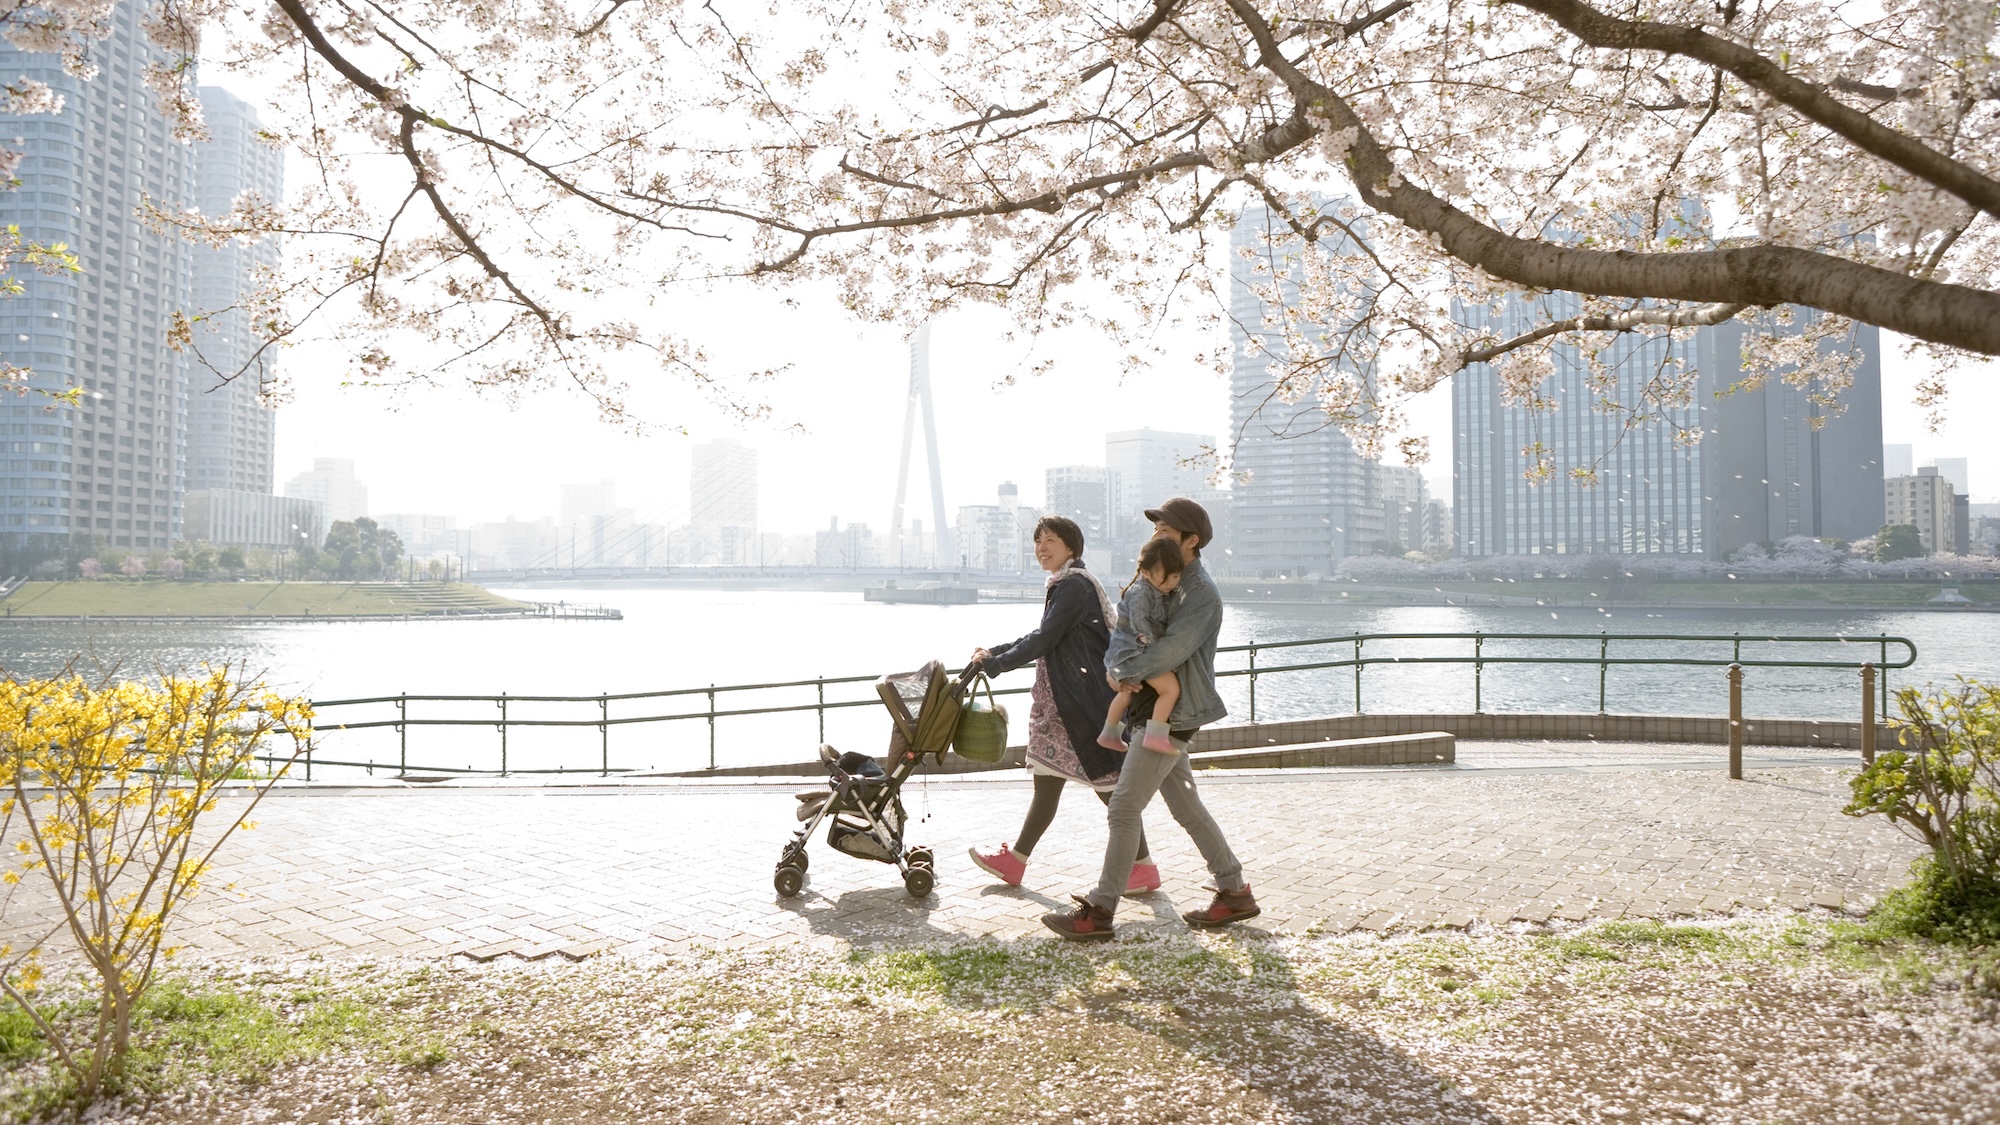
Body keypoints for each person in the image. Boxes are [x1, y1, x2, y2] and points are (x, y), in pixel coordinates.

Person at [1043, 497, 1258, 941]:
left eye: (1165, 530)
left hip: (1175, 712)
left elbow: (1169, 652)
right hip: (1155, 707)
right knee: (1187, 808)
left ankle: (1100, 910)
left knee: (1123, 807)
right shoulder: (1161, 578)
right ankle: (1234, 891)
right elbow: (1131, 628)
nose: (1156, 535)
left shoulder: (1199, 594)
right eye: (1156, 529)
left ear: (1191, 541)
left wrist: (1119, 671)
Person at [966, 515, 1159, 895]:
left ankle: (1143, 867)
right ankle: (1016, 861)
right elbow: (1043, 635)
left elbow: (1045, 638)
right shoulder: (1066, 585)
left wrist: (997, 664)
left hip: (1082, 703)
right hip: (1067, 703)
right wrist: (996, 652)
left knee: (1108, 785)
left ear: (1071, 546)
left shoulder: (1073, 587)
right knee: (1050, 783)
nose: (1041, 549)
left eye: (1050, 540)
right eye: (1037, 542)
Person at [1096, 537, 1185, 754]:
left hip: (1126, 653)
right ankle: (1155, 736)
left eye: (1176, 576)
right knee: (1170, 689)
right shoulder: (1143, 591)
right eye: (1166, 577)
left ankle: (1109, 734)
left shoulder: (1153, 589)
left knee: (1126, 693)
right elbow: (1140, 623)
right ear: (1146, 572)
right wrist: (1159, 650)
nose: (1173, 582)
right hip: (1135, 652)